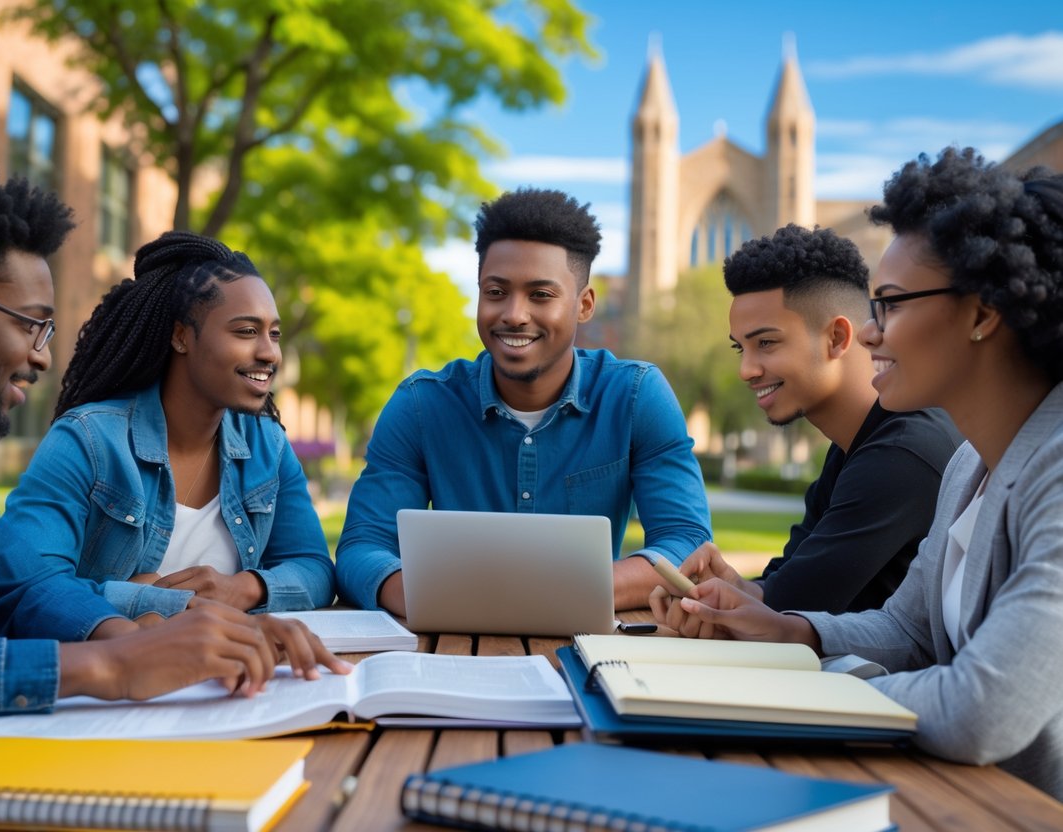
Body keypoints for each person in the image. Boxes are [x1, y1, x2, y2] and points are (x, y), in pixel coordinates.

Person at [0, 159, 345, 744]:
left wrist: (170, 632)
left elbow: (23, 586)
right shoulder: (86, 439)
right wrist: (109, 666)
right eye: (31, 326)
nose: (41, 358)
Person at [651, 147, 1063, 799]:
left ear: (982, 313)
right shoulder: (968, 466)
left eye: (890, 305)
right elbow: (907, 629)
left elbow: (980, 709)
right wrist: (785, 631)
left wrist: (785, 686)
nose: (870, 335)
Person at [336, 187, 711, 614]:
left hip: (585, 649)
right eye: (496, 292)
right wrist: (432, 593)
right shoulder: (421, 406)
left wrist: (551, 592)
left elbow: (687, 541)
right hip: (454, 643)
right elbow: (363, 547)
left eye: (541, 295)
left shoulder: (636, 397)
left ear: (584, 305)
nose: (514, 313)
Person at [0, 231, 335, 612]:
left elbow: (316, 571)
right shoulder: (88, 440)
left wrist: (244, 588)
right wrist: (160, 602)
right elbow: (27, 587)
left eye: (274, 334)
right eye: (246, 332)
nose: (269, 352)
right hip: (113, 669)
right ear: (180, 336)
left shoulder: (267, 446)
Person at [654, 225, 960, 619]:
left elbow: (785, 614)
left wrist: (742, 601)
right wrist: (736, 587)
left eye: (766, 343)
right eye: (740, 348)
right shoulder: (851, 447)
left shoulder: (902, 452)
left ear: (836, 338)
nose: (746, 370)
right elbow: (784, 589)